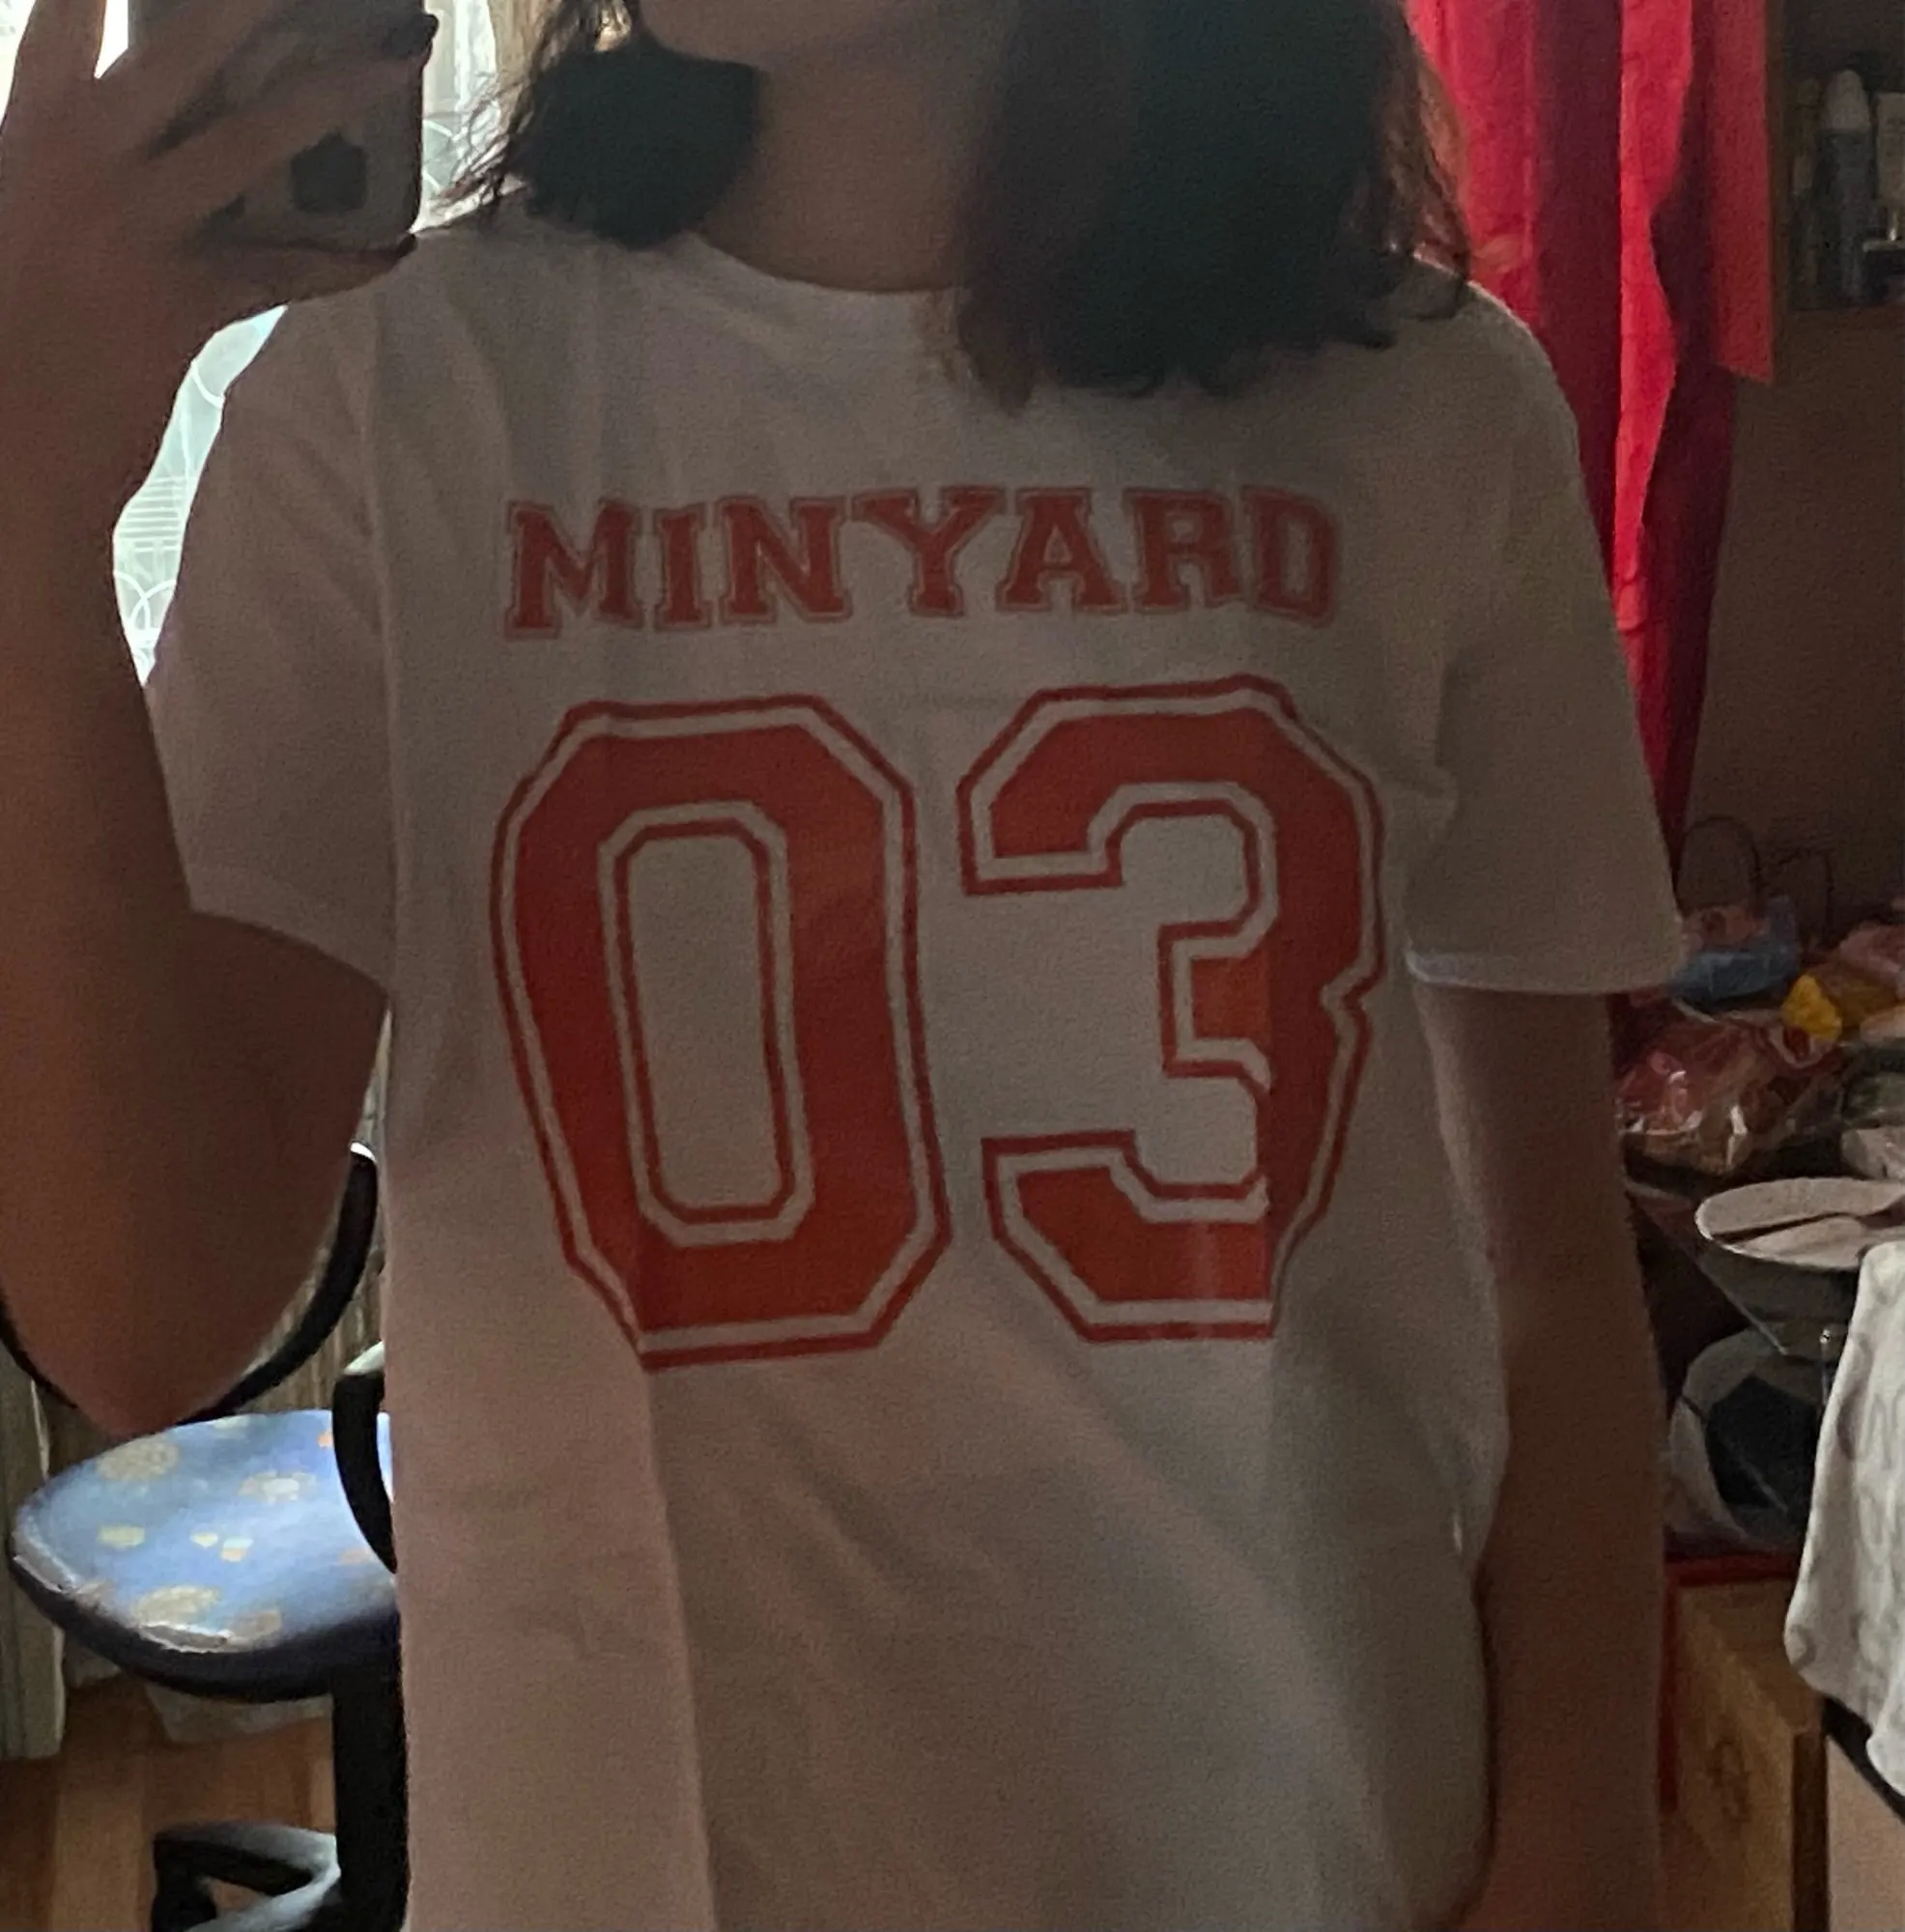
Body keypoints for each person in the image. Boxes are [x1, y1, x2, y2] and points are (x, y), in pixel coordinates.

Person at [0, 0, 1684, 1923]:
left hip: (1320, 1837)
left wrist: (1584, 1843)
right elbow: (143, 1316)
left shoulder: (1433, 407)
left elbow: (1547, 1263)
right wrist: (28, 520)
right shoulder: (397, 397)